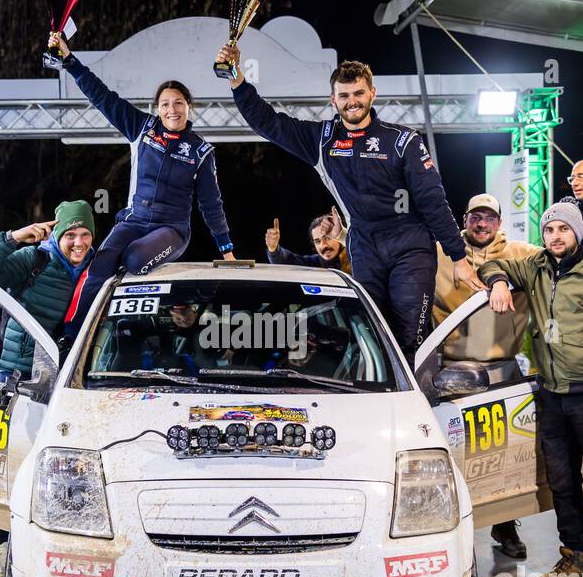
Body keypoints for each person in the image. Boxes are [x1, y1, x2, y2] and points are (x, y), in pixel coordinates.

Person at [216, 42, 476, 362]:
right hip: (364, 246)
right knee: (372, 336)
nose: (352, 102)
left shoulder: (403, 140)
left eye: (358, 94)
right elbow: (268, 122)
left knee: (410, 337)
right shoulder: (322, 139)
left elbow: (433, 200)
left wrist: (458, 257)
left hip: (410, 247)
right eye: (344, 95)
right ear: (333, 99)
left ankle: (418, 405)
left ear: (372, 94)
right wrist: (235, 77)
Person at [477, 201, 583, 577]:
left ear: (578, 232)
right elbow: (490, 265)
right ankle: (573, 558)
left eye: (563, 229)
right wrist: (497, 282)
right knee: (563, 486)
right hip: (551, 396)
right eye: (549, 230)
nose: (555, 237)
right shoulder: (537, 266)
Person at [49, 31, 235, 341]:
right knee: (99, 266)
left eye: (178, 103)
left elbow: (211, 203)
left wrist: (226, 248)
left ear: (190, 107)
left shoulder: (202, 151)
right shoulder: (142, 128)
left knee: (133, 259)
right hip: (135, 219)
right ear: (157, 109)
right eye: (164, 104)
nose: (171, 109)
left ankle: (131, 329)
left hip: (171, 229)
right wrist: (69, 60)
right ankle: (73, 337)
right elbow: (102, 96)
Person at [0, 200, 97, 577]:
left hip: (69, 381)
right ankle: (2, 545)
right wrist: (13, 237)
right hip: (19, 375)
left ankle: (54, 541)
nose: (78, 242)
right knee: (12, 460)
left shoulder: (97, 270)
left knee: (59, 463)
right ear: (57, 233)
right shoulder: (33, 261)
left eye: (85, 234)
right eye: (70, 234)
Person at [431, 192, 541, 560]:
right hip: (447, 373)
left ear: (499, 223)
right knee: (449, 457)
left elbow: (563, 255)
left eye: (489, 218)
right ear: (464, 220)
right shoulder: (440, 253)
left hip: (500, 373)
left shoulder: (521, 253)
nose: (481, 224)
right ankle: (445, 532)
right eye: (475, 217)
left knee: (502, 456)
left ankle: (505, 525)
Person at [264, 210, 351, 272]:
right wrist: (273, 249)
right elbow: (287, 262)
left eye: (327, 238)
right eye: (317, 241)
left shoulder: (356, 258)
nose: (323, 245)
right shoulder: (316, 263)